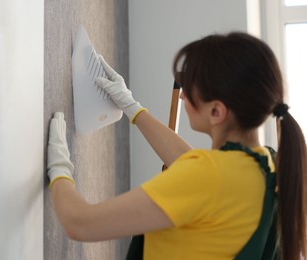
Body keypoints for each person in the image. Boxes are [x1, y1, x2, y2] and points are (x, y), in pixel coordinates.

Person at [47, 32, 306, 259]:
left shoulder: (210, 176)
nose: (182, 95)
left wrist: (59, 169)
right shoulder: (267, 166)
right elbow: (187, 162)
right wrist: (132, 108)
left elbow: (80, 223)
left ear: (216, 111)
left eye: (190, 88)